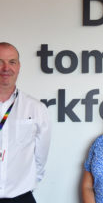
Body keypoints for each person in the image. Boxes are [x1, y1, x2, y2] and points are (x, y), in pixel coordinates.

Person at [0, 42, 51, 203]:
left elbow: (40, 157)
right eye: (0, 62)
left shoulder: (36, 108)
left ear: (19, 66)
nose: (6, 68)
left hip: (20, 198)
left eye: (12, 62)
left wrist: (27, 183)